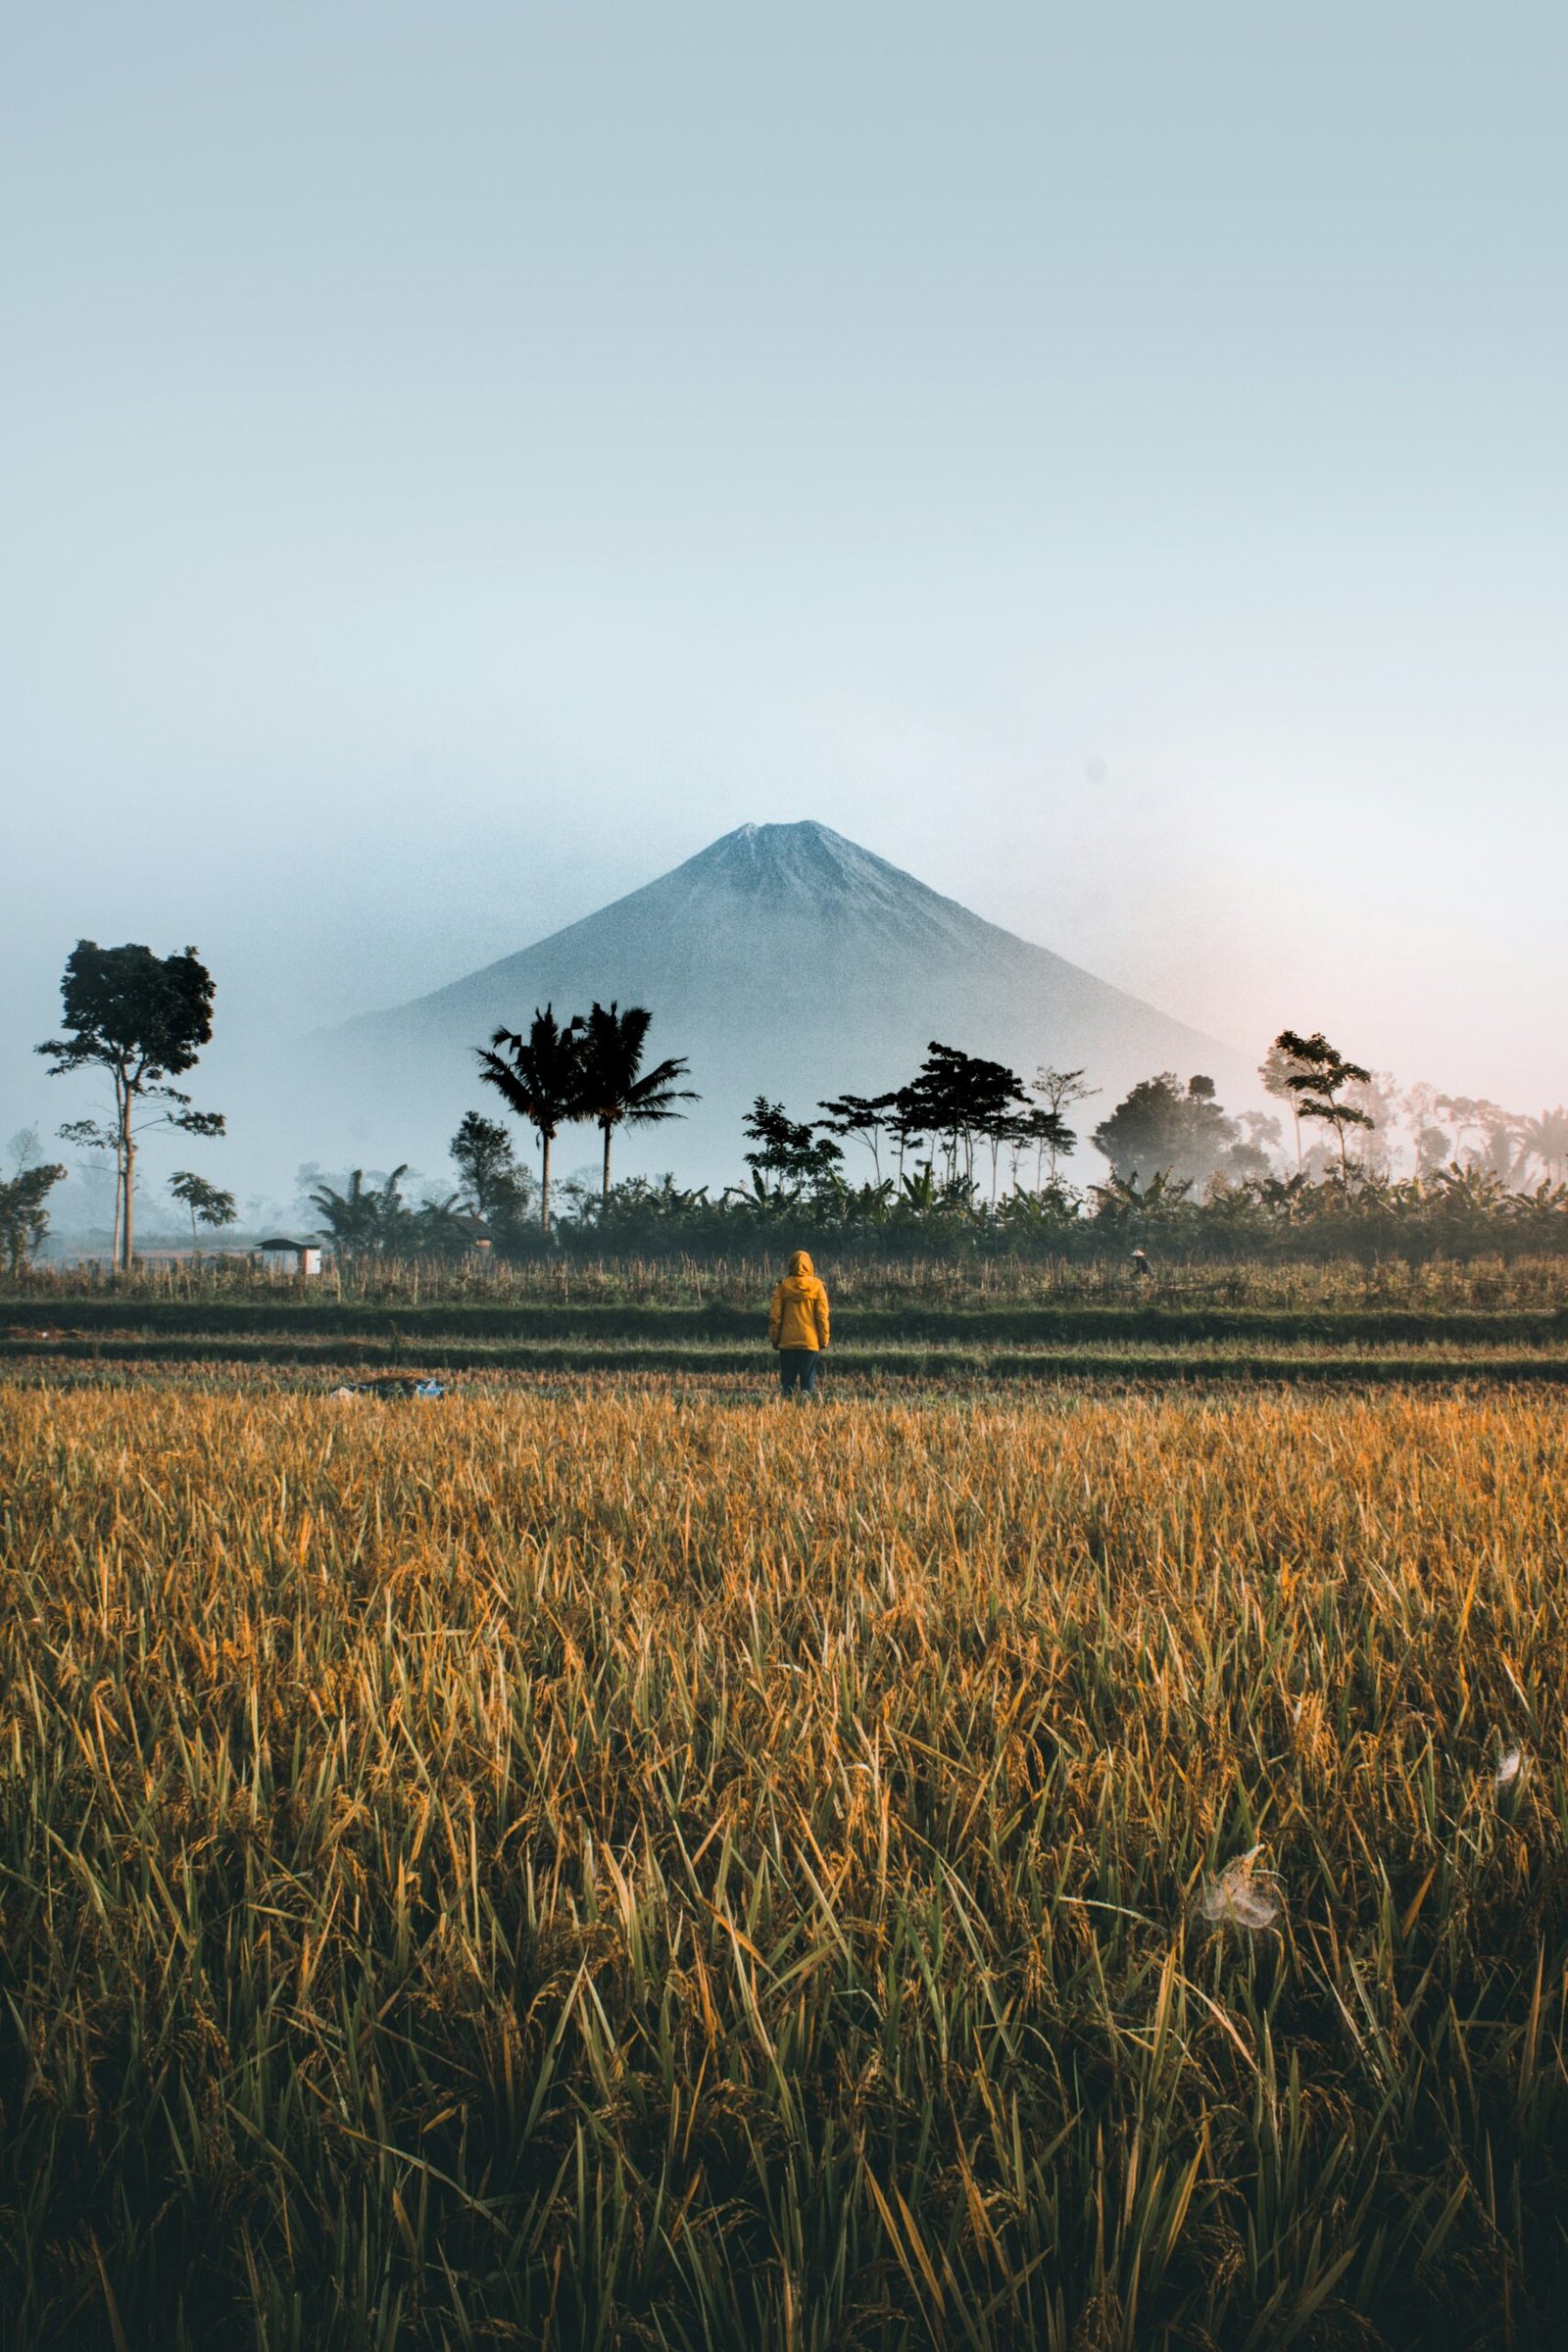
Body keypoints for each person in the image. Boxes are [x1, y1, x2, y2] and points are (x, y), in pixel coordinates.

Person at [769, 1249, 830, 1396]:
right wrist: (824, 1340)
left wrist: (775, 1339)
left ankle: (785, 1413)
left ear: (791, 1265)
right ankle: (807, 1413)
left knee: (787, 1385)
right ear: (809, 1265)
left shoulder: (782, 1287)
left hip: (787, 1342)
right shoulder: (817, 1286)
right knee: (807, 1385)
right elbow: (822, 1316)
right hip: (810, 1342)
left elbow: (775, 1317)